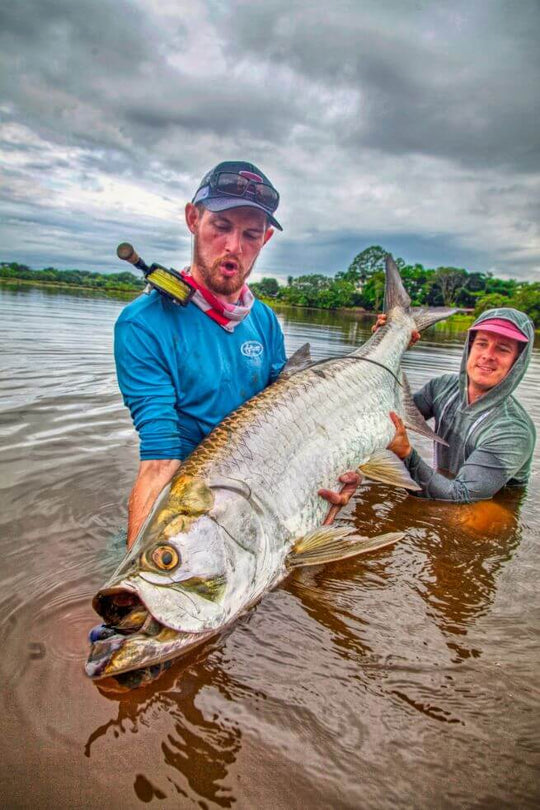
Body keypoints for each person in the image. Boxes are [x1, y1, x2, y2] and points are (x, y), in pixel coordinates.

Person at [115, 160, 353, 547]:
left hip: (260, 494)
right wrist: (138, 569)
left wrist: (336, 468)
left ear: (266, 241)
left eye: (250, 235)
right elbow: (160, 458)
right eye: (221, 227)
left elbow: (293, 419)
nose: (233, 247)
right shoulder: (143, 324)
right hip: (191, 510)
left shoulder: (263, 320)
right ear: (193, 219)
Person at [385, 308, 536, 502]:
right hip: (446, 483)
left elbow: (461, 495)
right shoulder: (442, 387)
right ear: (470, 348)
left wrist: (406, 453)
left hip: (485, 504)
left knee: (469, 521)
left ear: (517, 362)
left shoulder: (514, 431)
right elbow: (389, 417)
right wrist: (389, 345)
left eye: (502, 349)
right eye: (482, 344)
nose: (488, 355)